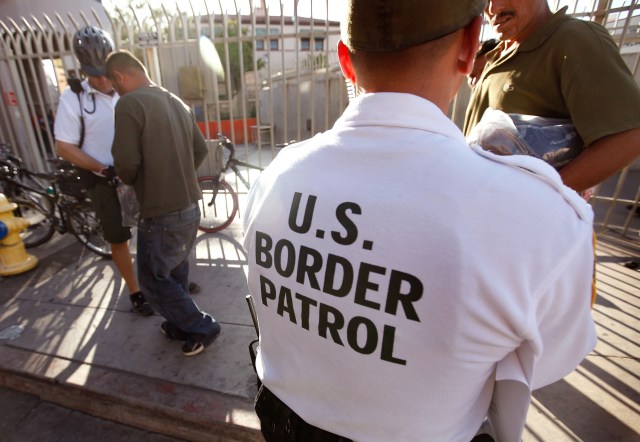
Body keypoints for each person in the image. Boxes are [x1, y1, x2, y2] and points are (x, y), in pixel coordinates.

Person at [242, 1, 597, 440]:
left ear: (346, 62)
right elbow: (549, 359)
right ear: (470, 46)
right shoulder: (541, 218)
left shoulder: (275, 175)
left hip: (284, 424)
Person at [105, 50, 221, 357]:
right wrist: (176, 171)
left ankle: (202, 326)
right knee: (175, 272)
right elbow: (199, 150)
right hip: (189, 205)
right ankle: (180, 324)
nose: (116, 92)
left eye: (114, 86)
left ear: (119, 76)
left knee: (153, 281)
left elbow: (126, 165)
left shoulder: (130, 103)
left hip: (160, 211)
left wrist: (148, 176)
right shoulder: (175, 101)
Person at [464, 0, 640, 193]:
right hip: (483, 201)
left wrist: (545, 194)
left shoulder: (573, 38)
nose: (493, 8)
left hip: (520, 211)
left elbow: (627, 137)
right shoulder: (499, 52)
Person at [54, 26, 153, 316]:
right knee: (118, 237)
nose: (101, 80)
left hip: (139, 175)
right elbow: (64, 146)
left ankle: (160, 281)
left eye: (104, 72)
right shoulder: (73, 98)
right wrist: (102, 168)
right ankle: (135, 291)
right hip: (103, 179)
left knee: (153, 230)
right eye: (93, 73)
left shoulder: (130, 86)